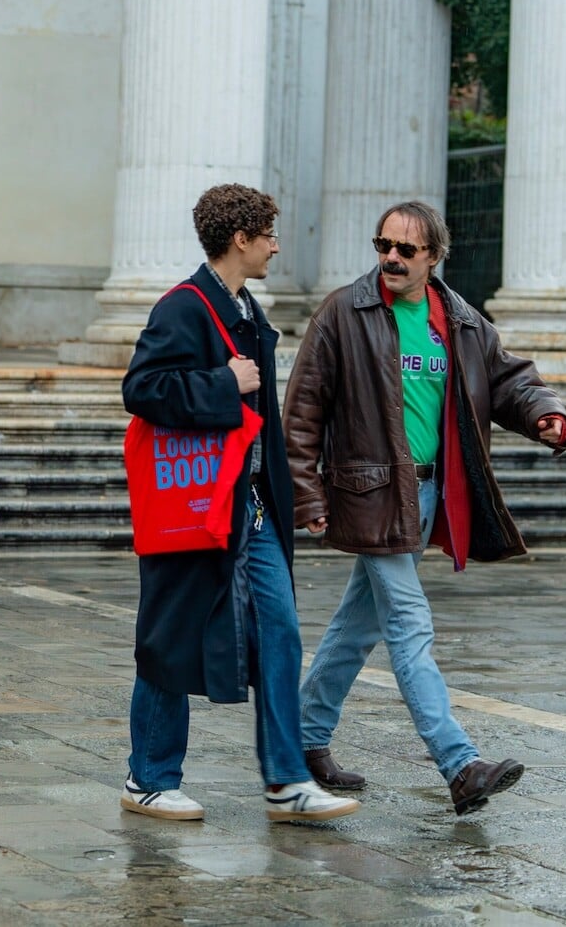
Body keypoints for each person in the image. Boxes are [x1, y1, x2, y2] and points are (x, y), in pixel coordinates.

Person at [283, 200, 566, 815]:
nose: (390, 257)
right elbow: (303, 409)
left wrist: (545, 414)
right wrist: (306, 493)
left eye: (405, 249)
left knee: (358, 624)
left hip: (432, 492)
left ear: (434, 256)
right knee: (410, 624)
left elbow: (507, 381)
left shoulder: (460, 320)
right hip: (371, 494)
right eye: (382, 245)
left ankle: (301, 739)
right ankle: (460, 764)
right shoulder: (344, 312)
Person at [119, 183, 360, 824]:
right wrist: (223, 382)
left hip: (249, 506)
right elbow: (142, 388)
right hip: (195, 504)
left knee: (280, 632)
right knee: (170, 635)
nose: (276, 247)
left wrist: (295, 494)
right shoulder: (184, 306)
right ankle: (148, 777)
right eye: (269, 236)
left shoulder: (246, 308)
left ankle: (286, 780)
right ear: (240, 239)